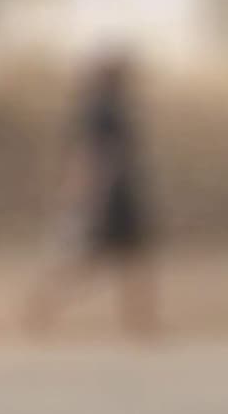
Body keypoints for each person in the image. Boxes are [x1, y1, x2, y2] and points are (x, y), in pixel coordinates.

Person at [25, 49, 161, 339]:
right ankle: (45, 305)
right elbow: (90, 156)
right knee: (89, 260)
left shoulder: (110, 107)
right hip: (109, 197)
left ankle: (140, 320)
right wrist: (85, 196)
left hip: (118, 194)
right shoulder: (100, 111)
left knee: (134, 257)